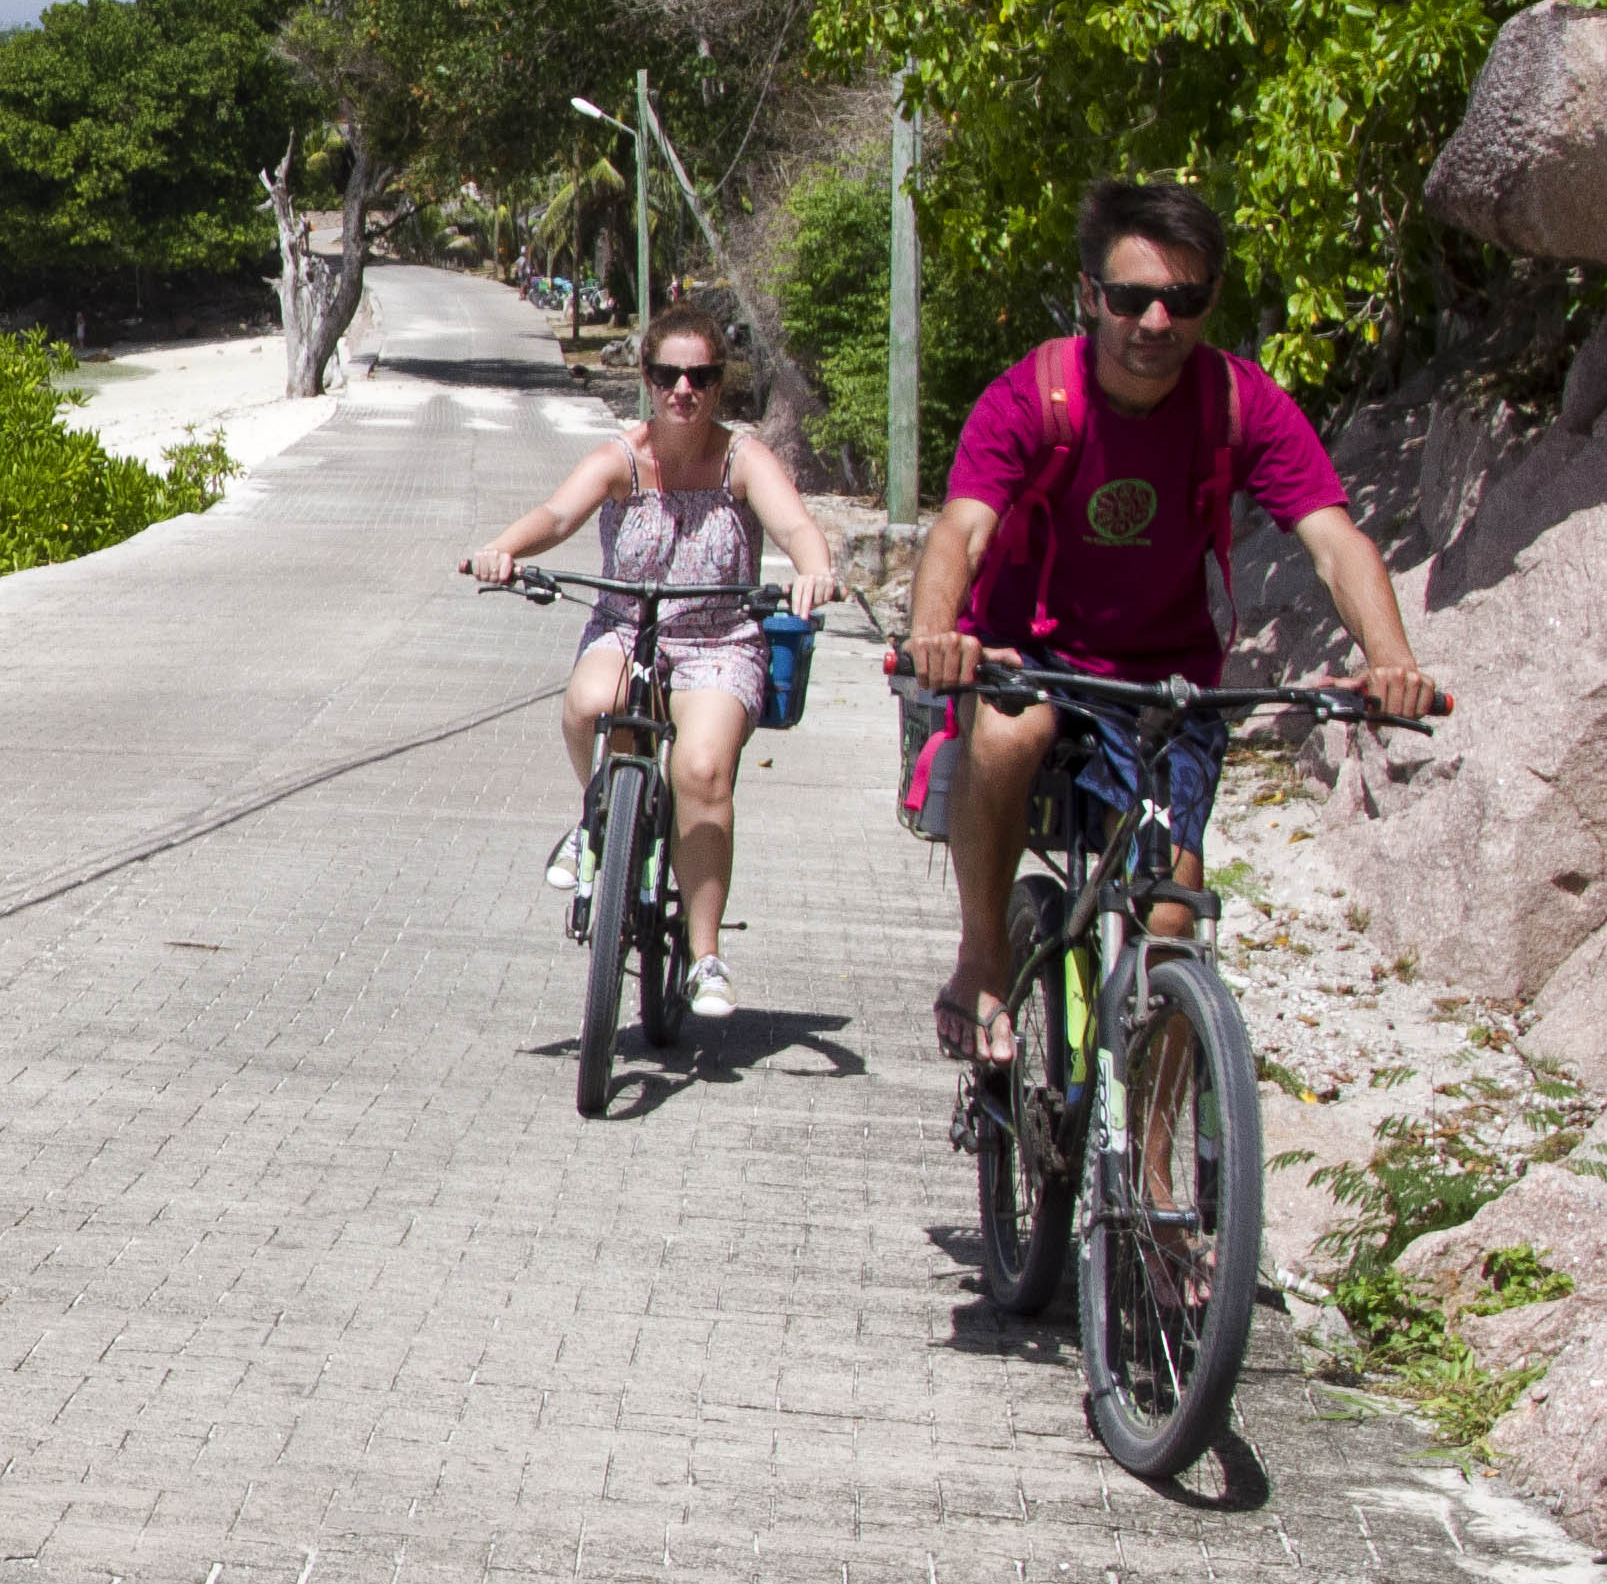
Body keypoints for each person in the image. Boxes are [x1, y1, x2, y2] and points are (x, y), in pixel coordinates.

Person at [902, 178, 1443, 1063]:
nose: (1156, 323)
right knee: (1005, 733)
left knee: (1173, 923)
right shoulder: (1033, 397)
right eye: (1131, 298)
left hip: (1166, 681)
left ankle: (1156, 1184)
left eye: (1183, 301)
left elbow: (1334, 538)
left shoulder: (1239, 402)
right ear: (1090, 296)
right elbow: (962, 526)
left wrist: (1390, 659)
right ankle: (984, 958)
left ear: (1209, 303)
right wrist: (937, 633)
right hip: (1031, 657)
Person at [466, 302, 842, 1020]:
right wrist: (504, 550)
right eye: (669, 374)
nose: (683, 390)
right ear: (646, 377)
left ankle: (704, 957)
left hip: (720, 641)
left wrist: (813, 569)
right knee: (587, 704)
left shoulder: (742, 459)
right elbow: (556, 515)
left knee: (701, 770)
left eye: (699, 376)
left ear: (718, 383)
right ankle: (596, 817)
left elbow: (794, 524)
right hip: (628, 628)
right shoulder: (622, 459)